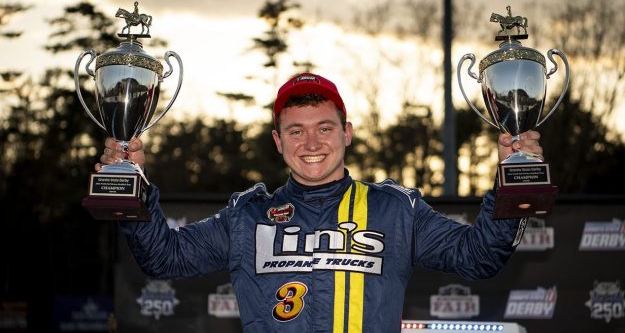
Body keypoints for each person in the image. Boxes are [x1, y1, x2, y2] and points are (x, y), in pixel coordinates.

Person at [98, 73, 541, 332]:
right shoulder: (247, 216)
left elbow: (479, 257)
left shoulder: (394, 210)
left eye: (325, 128)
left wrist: (512, 184)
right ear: (277, 141)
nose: (311, 142)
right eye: (296, 130)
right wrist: (132, 185)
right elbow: (164, 258)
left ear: (346, 133)